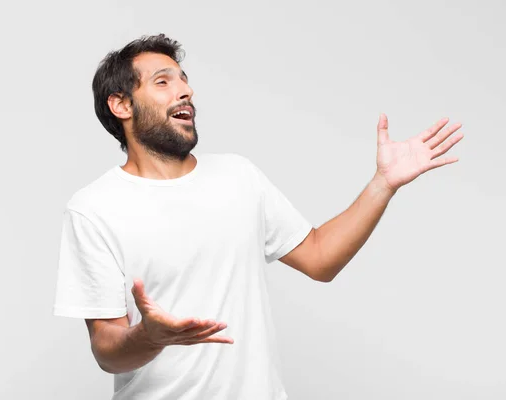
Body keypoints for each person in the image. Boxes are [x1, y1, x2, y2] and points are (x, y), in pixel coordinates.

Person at [53, 33, 463, 399]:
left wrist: (383, 183)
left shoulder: (238, 176)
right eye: (164, 82)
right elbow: (107, 349)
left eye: (184, 80)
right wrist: (150, 336)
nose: (186, 91)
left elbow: (320, 258)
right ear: (121, 104)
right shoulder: (95, 208)